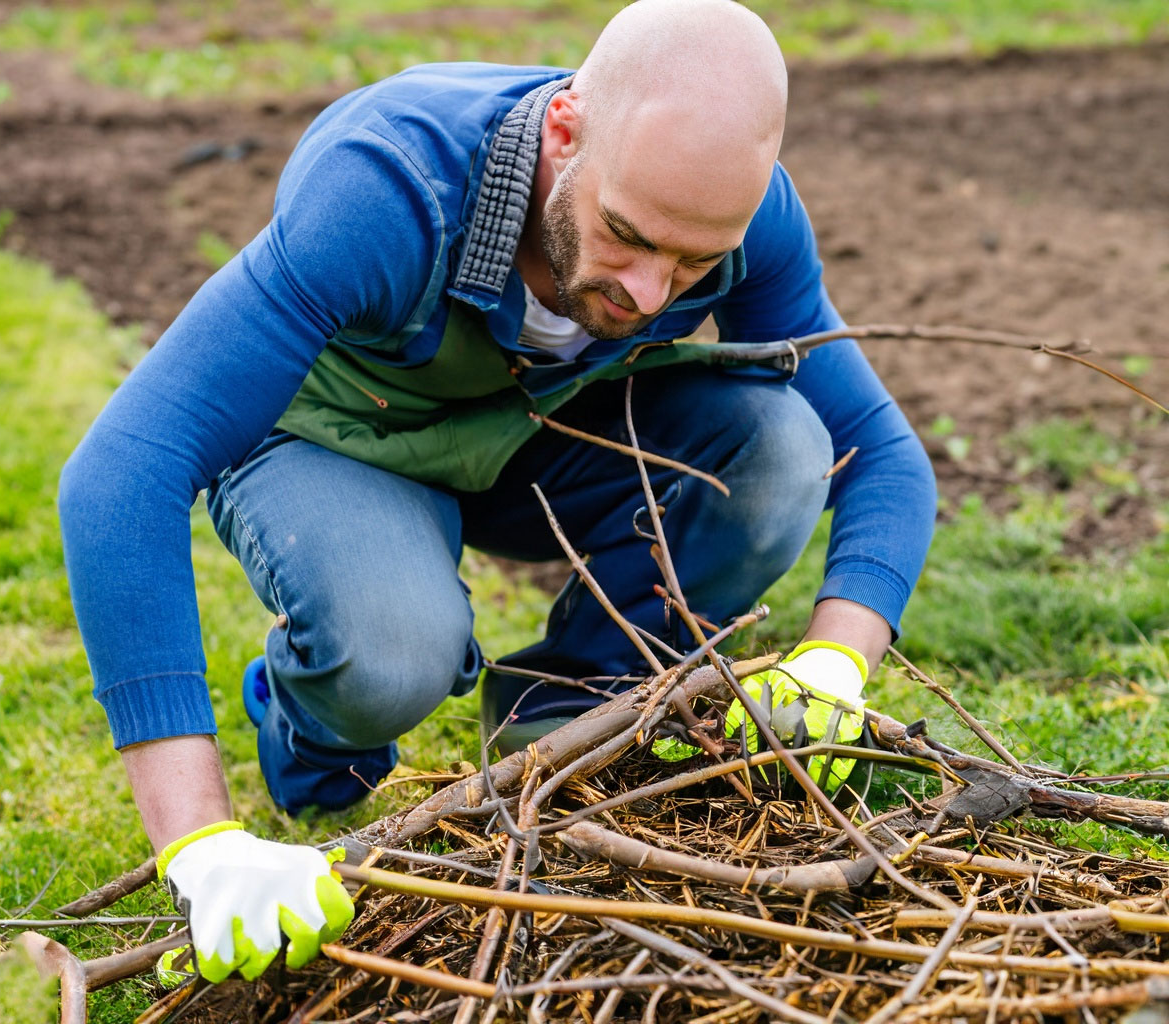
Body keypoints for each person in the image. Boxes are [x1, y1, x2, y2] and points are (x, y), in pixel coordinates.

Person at [58, 0, 936, 985]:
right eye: (625, 235)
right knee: (392, 657)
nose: (649, 294)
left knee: (781, 445)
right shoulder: (388, 186)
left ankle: (566, 717)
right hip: (342, 445)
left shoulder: (740, 219)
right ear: (564, 131)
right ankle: (308, 720)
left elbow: (883, 454)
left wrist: (834, 661)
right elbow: (121, 471)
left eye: (691, 264)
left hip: (530, 444)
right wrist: (201, 845)